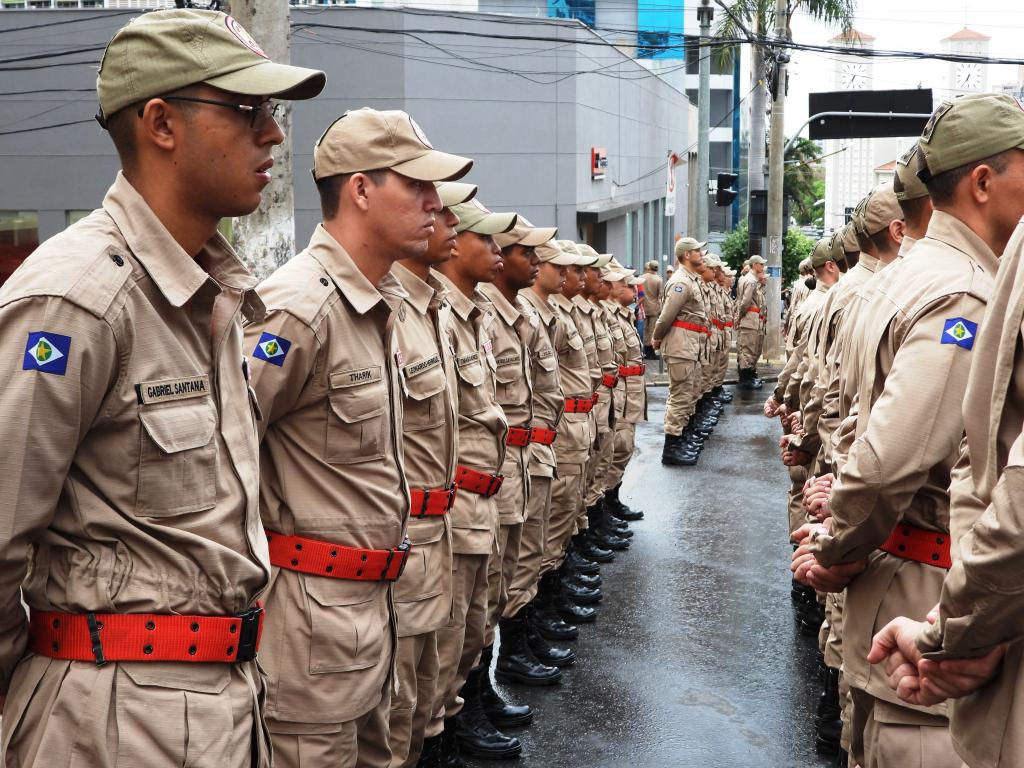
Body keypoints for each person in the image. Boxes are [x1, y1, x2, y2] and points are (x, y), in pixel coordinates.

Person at [0, 10, 324, 766]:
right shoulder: (77, 300)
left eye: (271, 113)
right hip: (109, 721)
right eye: (247, 111)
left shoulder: (208, 296)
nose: (273, 134)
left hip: (219, 705)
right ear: (160, 123)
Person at [794, 93, 1024, 768]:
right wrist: (839, 544)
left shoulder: (904, 276)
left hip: (899, 580)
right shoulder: (965, 293)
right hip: (930, 591)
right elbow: (893, 456)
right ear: (983, 182)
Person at [244, 108, 471, 768]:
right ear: (361, 190)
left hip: (371, 617)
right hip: (308, 640)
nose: (435, 202)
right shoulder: (296, 307)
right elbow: (219, 458)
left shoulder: (377, 304)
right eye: (417, 186)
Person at [385, 180, 473, 767]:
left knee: (428, 683)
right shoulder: (303, 306)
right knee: (390, 716)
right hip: (363, 567)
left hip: (435, 530)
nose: (440, 216)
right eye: (421, 196)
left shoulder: (431, 309)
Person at [431, 197, 521, 763]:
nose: (498, 252)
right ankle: (448, 728)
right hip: (443, 510)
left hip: (481, 493)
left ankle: (469, 702)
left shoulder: (470, 313)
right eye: (486, 240)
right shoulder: (429, 313)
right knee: (441, 642)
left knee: (476, 617)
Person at [652, 236, 709, 466]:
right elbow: (667, 315)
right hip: (681, 344)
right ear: (686, 255)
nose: (701, 254)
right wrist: (656, 337)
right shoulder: (681, 282)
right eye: (697, 251)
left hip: (689, 343)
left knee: (688, 392)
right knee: (680, 395)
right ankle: (672, 446)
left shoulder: (690, 279)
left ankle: (682, 437)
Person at [735, 254, 767, 388]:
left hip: (750, 319)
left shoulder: (749, 279)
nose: (763, 267)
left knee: (749, 349)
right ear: (755, 265)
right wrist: (739, 316)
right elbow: (745, 302)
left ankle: (748, 377)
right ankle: (745, 379)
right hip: (749, 319)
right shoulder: (751, 280)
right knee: (747, 350)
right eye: (761, 264)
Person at [641, 259, 663, 359]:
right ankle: (651, 351)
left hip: (644, 306)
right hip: (654, 307)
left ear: (648, 267)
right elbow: (660, 295)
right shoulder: (658, 279)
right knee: (652, 330)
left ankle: (645, 350)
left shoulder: (642, 278)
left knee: (644, 329)